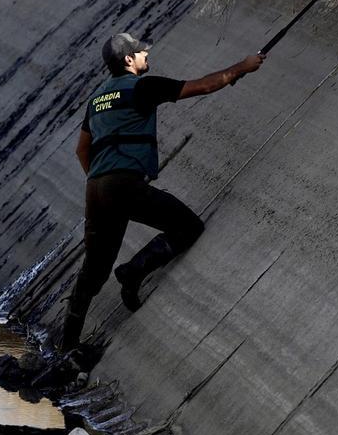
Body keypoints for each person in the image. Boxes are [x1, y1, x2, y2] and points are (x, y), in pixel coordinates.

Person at [60, 33, 264, 355]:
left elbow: (81, 150)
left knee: (92, 271)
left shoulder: (96, 99)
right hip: (123, 185)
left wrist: (102, 183)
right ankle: (134, 271)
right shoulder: (143, 87)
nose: (146, 54)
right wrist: (243, 66)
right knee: (188, 227)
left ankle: (66, 345)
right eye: (141, 51)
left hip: (95, 188)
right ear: (128, 60)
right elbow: (202, 86)